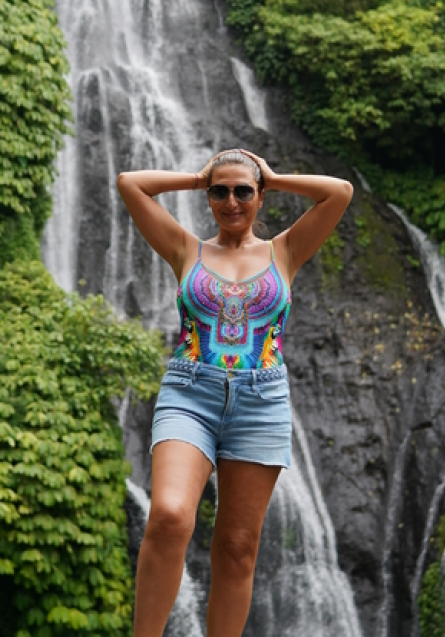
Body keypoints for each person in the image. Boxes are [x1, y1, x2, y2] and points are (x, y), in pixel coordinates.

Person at [117, 148, 353, 637]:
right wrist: (199, 175)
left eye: (243, 191)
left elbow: (339, 192)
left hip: (260, 403)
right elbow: (130, 184)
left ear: (260, 197)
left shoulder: (285, 251)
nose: (231, 201)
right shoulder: (186, 249)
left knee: (238, 546)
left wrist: (271, 175)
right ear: (208, 196)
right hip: (190, 393)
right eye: (219, 191)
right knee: (169, 515)